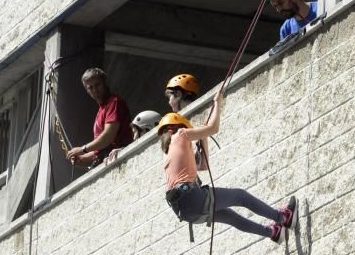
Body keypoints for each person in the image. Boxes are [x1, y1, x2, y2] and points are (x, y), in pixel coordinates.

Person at [159, 92, 298, 243]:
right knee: (241, 196)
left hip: (186, 212)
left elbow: (203, 165)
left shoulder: (167, 154)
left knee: (232, 218)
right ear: (177, 127)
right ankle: (284, 217)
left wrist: (203, 135)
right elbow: (213, 128)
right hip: (192, 197)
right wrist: (218, 103)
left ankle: (273, 232)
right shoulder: (181, 134)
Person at [66, 68, 132, 166]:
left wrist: (82, 149)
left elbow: (108, 137)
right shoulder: (101, 110)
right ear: (87, 91)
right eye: (90, 87)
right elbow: (102, 147)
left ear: (105, 83)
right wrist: (83, 158)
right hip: (109, 159)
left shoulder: (114, 102)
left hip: (120, 158)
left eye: (97, 85)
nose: (95, 90)